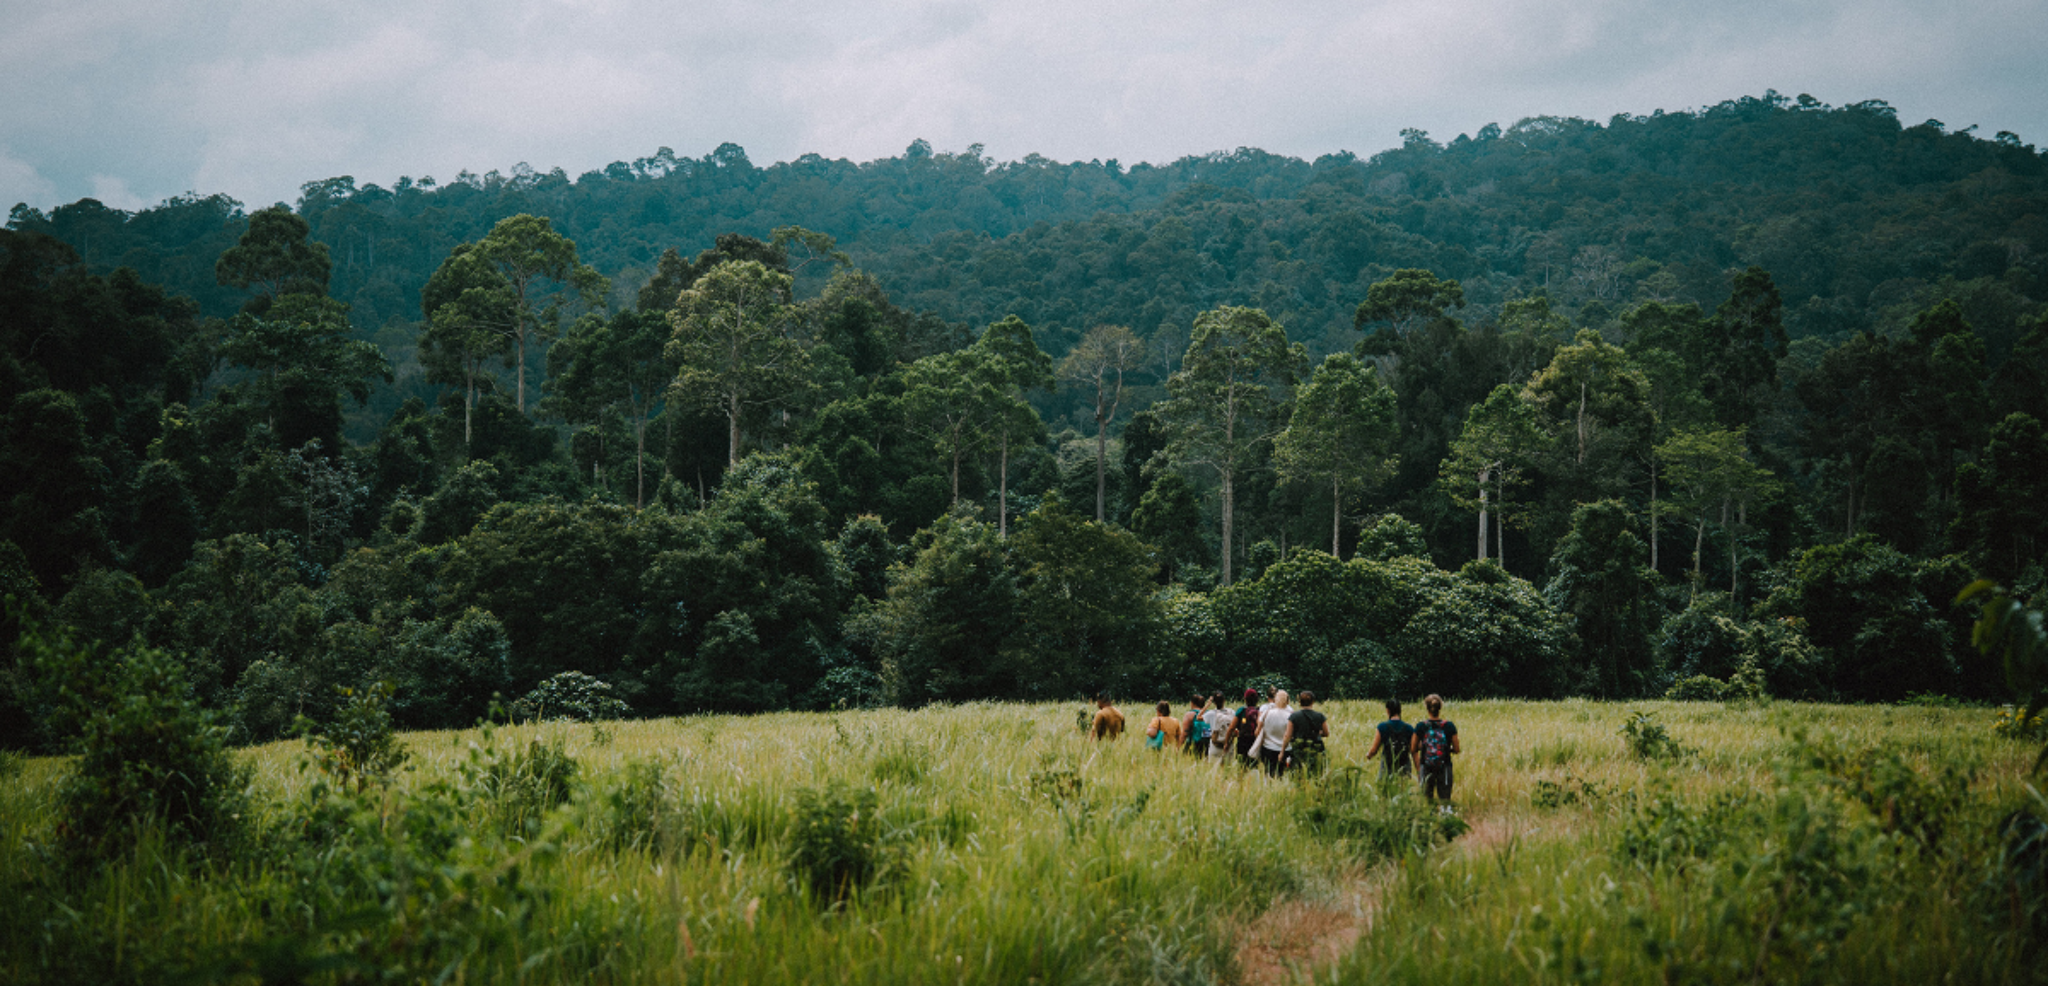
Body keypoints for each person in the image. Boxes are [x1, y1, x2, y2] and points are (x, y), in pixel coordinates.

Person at [1415, 693, 1460, 801]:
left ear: (1427, 708)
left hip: (1426, 767)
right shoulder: (1449, 726)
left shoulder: (1421, 726)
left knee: (1427, 801)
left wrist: (1423, 747)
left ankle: (1429, 817)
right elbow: (1457, 749)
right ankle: (1446, 816)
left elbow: (1413, 748)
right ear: (1440, 707)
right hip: (1444, 767)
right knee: (1445, 799)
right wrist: (1447, 749)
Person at [1283, 690, 1330, 777]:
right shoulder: (1320, 716)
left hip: (1299, 749)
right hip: (1316, 748)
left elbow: (1288, 735)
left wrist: (1282, 751)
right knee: (1316, 773)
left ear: (1300, 702)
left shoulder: (1294, 716)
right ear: (1313, 702)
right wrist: (1319, 733)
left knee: (1298, 773)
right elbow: (1326, 733)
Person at [1364, 699, 1414, 779]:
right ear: (1400, 711)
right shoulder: (1409, 728)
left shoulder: (1382, 727)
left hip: (1387, 766)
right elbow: (1414, 749)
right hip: (1404, 765)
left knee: (1385, 789)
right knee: (1403, 789)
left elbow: (1374, 750)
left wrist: (1368, 756)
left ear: (1387, 711)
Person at [1254, 689, 1292, 776]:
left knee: (1268, 774)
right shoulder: (1290, 715)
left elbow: (1257, 732)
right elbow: (1290, 735)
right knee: (1282, 775)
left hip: (1268, 748)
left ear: (1276, 700)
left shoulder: (1267, 713)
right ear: (1287, 700)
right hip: (1286, 749)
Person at [1232, 689, 1262, 765]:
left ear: (1245, 699)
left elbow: (1231, 727)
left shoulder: (1241, 711)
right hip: (1255, 741)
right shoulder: (1260, 711)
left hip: (1243, 741)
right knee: (1254, 765)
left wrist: (1227, 742)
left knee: (1242, 765)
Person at [1202, 693, 1235, 759]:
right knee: (1227, 768)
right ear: (1224, 700)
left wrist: (1207, 705)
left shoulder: (1211, 713)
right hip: (1228, 745)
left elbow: (1198, 717)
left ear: (1214, 702)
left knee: (1213, 768)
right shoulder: (1231, 712)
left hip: (1215, 746)